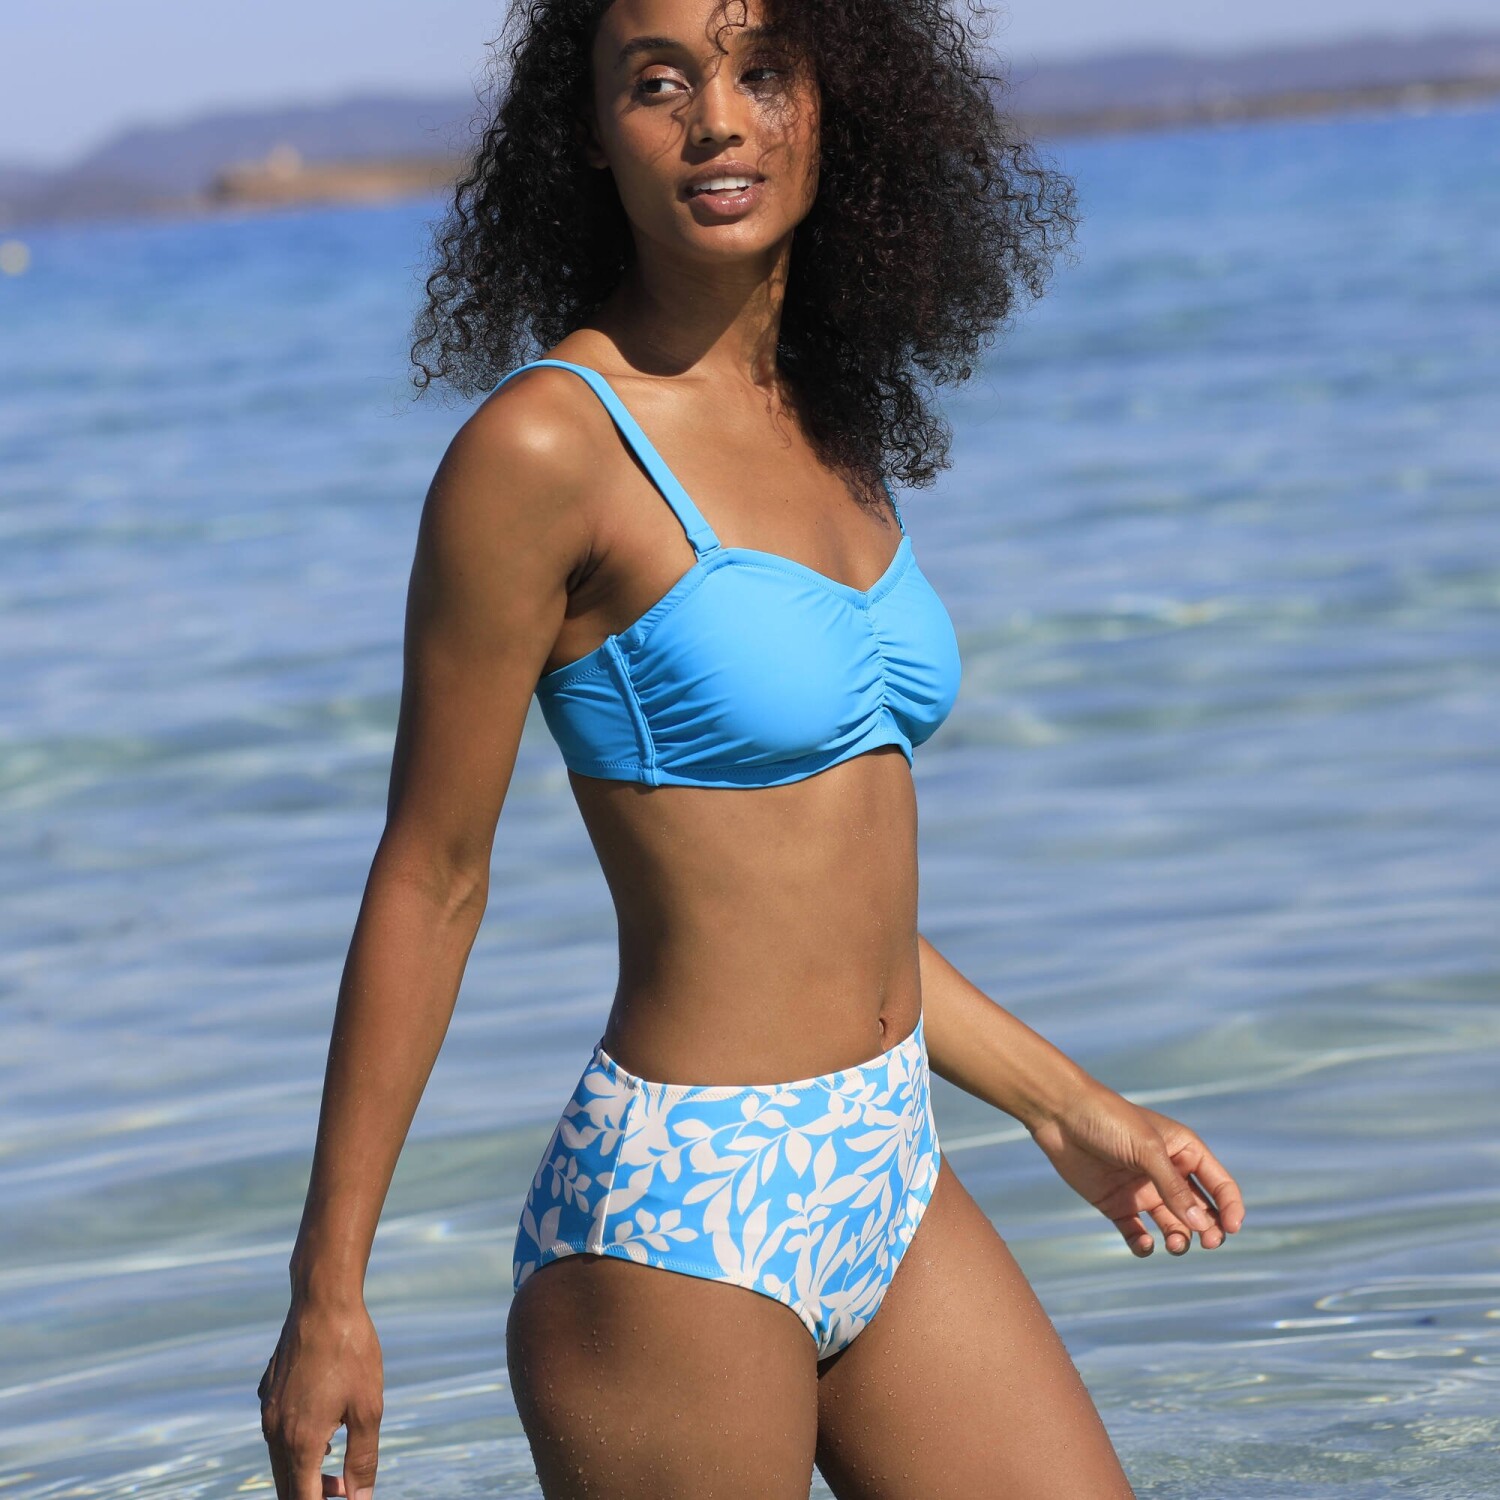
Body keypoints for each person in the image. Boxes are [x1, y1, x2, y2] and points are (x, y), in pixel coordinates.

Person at [258, 0, 1246, 1495]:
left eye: (763, 72)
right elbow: (432, 874)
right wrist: (328, 1292)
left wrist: (1070, 1107)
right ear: (591, 135)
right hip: (677, 1213)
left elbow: (815, 899)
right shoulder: (545, 448)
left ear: (837, 104)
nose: (718, 118)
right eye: (658, 82)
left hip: (888, 1162)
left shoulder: (822, 423)